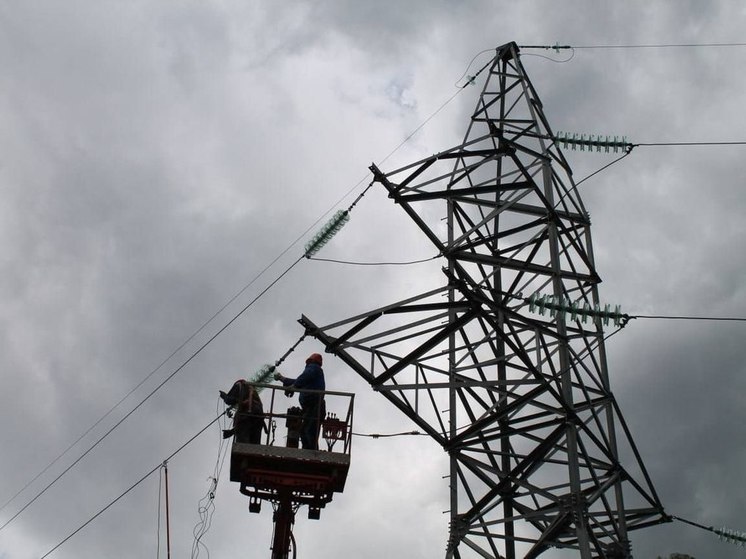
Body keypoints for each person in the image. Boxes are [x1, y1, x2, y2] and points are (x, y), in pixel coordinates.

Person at [274, 353, 326, 450]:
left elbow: (302, 379)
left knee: (309, 431)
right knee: (306, 431)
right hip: (311, 407)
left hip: (314, 405)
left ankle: (311, 454)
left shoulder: (314, 368)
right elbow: (299, 381)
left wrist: (293, 387)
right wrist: (282, 378)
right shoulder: (312, 377)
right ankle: (309, 452)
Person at [219, 379, 266, 444]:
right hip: (259, 417)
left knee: (243, 446)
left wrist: (224, 396)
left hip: (246, 416)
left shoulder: (239, 384)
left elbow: (229, 400)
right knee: (255, 446)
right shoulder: (252, 390)